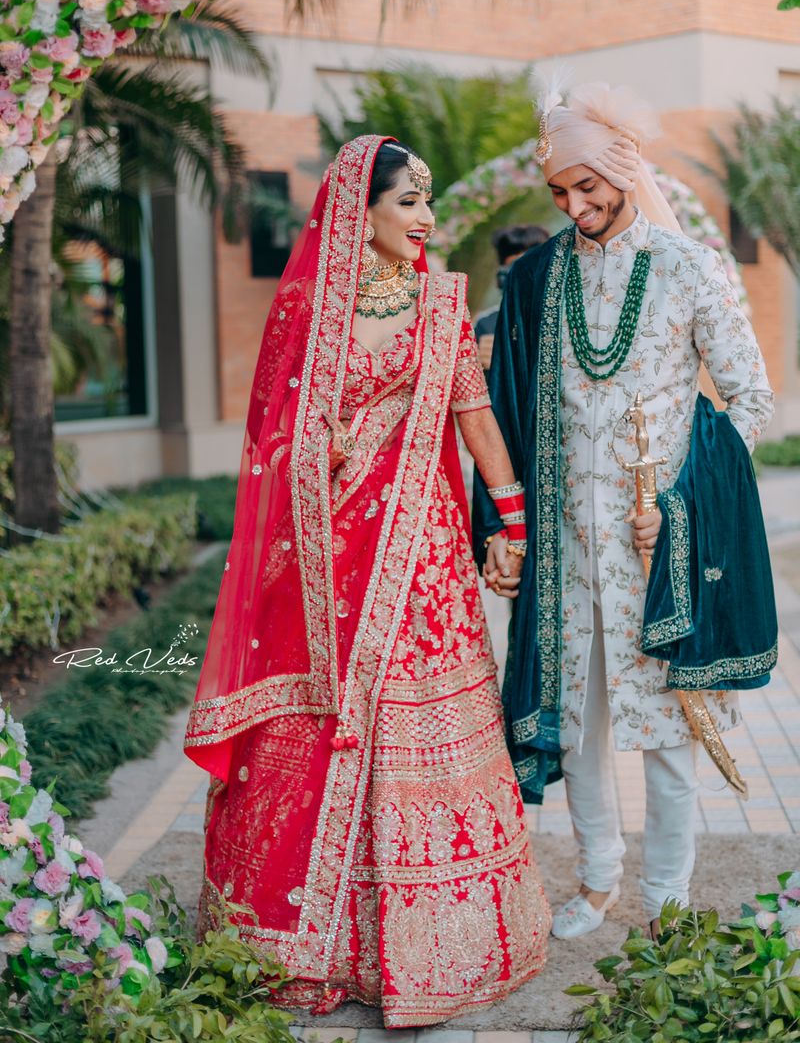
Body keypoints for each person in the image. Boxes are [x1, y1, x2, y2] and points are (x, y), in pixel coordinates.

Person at [184, 135, 550, 1027]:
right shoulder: (308, 312)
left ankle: (437, 947)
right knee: (319, 728)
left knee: (411, 726)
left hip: (419, 558)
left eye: (429, 202)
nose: (427, 220)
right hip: (323, 561)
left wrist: (512, 522)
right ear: (362, 210)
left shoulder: (441, 304)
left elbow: (477, 421)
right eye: (409, 203)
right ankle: (305, 943)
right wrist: (318, 449)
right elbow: (267, 443)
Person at [473, 82, 777, 943]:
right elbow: (504, 408)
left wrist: (686, 506)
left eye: (589, 188)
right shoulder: (535, 279)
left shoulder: (688, 269)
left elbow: (750, 401)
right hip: (570, 553)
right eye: (559, 194)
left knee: (669, 739)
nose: (576, 207)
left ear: (623, 171)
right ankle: (598, 880)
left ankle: (667, 900)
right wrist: (508, 533)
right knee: (579, 732)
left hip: (659, 553)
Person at [475, 224, 549, 370]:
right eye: (517, 269)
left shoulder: (570, 317)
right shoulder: (486, 325)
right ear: (503, 278)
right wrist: (477, 366)